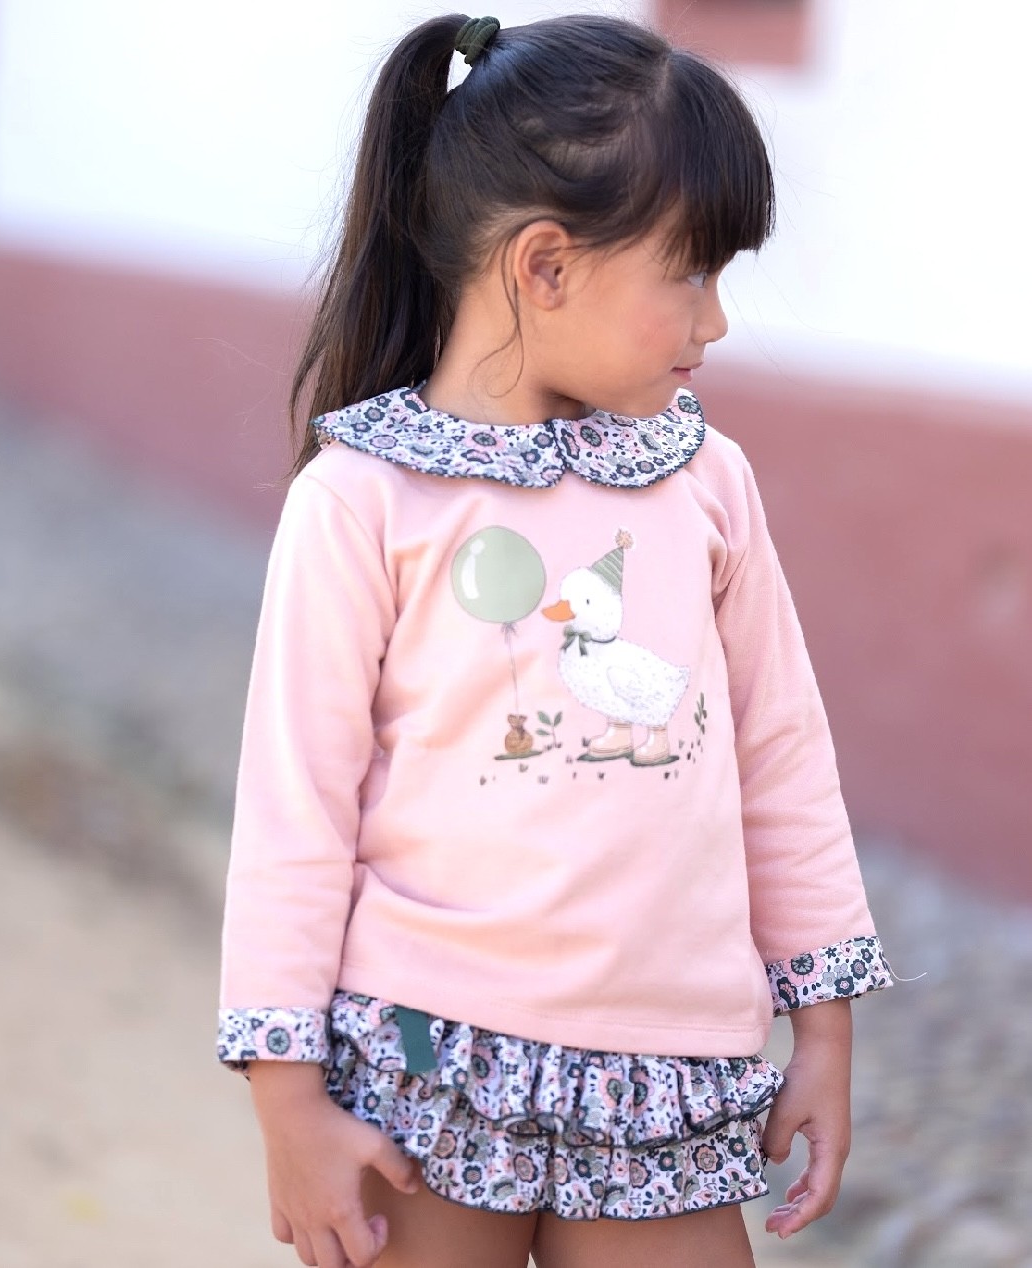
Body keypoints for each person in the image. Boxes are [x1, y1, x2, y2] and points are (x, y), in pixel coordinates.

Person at [218, 12, 893, 1268]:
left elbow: (782, 757)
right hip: (420, 1058)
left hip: (665, 1074)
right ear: (544, 266)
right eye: (688, 273)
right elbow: (294, 811)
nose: (714, 321)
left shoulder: (707, 483)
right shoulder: (360, 500)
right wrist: (285, 1097)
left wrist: (824, 1028)